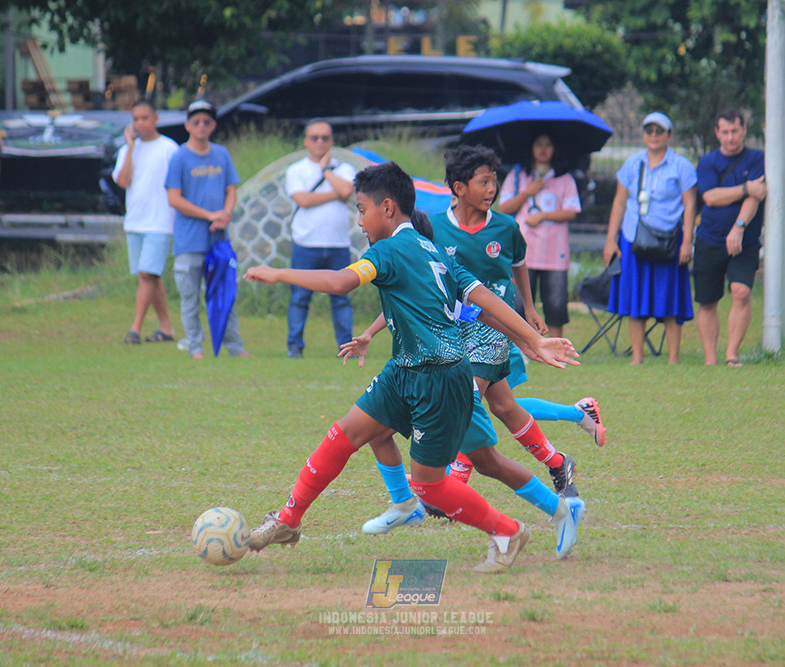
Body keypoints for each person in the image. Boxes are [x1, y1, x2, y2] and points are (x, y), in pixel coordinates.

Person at [243, 162, 580, 572]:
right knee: (344, 434)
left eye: (362, 210)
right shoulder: (433, 249)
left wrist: (278, 272)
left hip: (439, 377)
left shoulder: (387, 250)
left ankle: (506, 530)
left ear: (387, 208)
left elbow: (340, 283)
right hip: (404, 370)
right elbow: (481, 302)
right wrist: (532, 339)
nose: (360, 221)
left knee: (432, 483)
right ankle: (288, 520)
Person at [340, 211, 584, 559]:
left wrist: (529, 342)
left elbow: (483, 312)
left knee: (488, 459)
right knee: (382, 431)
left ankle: (557, 505)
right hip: (425, 377)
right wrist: (368, 333)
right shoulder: (412, 273)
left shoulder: (436, 274)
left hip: (449, 380)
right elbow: (396, 308)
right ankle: (406, 504)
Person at [430, 145, 600, 495]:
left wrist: (530, 309)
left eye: (494, 182)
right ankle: (558, 462)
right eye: (484, 182)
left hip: (496, 325)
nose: (492, 189)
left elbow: (519, 265)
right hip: (456, 326)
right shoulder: (434, 228)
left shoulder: (506, 226)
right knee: (505, 406)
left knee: (467, 398)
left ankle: (453, 481)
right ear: (459, 188)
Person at [603, 112, 698, 365]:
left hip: (669, 239)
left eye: (659, 131)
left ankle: (673, 358)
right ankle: (637, 357)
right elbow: (619, 202)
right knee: (636, 297)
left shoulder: (681, 166)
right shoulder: (632, 164)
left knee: (670, 297)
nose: (653, 135)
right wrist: (611, 239)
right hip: (634, 237)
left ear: (669, 135)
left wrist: (687, 242)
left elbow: (690, 205)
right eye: (649, 131)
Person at [165, 100, 247, 359]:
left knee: (225, 293)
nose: (201, 126)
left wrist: (225, 214)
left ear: (213, 126)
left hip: (218, 239)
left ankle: (234, 346)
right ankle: (195, 346)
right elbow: (174, 198)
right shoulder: (179, 157)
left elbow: (231, 189)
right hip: (189, 240)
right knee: (190, 297)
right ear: (188, 125)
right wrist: (209, 215)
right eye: (196, 121)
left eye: (207, 122)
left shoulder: (221, 154)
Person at [693, 109, 767, 367]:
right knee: (708, 301)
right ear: (717, 133)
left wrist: (739, 227)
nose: (730, 137)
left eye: (735, 131)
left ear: (744, 130)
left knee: (741, 291)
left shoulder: (758, 159)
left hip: (745, 240)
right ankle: (710, 360)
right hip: (709, 239)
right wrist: (745, 188)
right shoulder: (708, 162)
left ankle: (732, 355)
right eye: (725, 132)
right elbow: (711, 197)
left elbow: (757, 196)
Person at [284, 120, 357, 358]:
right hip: (306, 245)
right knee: (300, 297)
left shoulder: (343, 168)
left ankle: (345, 346)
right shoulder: (296, 170)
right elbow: (303, 200)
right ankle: (295, 346)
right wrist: (335, 193)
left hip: (338, 245)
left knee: (341, 298)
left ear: (332, 141)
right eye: (314, 137)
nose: (320, 142)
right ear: (306, 141)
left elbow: (346, 191)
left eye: (325, 137)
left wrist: (326, 172)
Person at [499, 133, 582, 339]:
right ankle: (523, 348)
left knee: (556, 306)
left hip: (554, 253)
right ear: (531, 148)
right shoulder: (518, 176)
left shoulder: (564, 178)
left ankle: (557, 346)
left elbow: (572, 211)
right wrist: (528, 192)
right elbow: (504, 208)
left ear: (555, 149)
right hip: (525, 253)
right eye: (538, 144)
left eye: (548, 144)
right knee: (520, 305)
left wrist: (544, 216)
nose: (543, 149)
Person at [113, 100, 179, 345]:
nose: (140, 123)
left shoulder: (169, 149)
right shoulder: (127, 151)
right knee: (151, 277)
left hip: (160, 221)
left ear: (155, 119)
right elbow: (123, 181)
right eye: (136, 119)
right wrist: (131, 149)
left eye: (145, 118)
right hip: (135, 221)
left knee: (145, 275)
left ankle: (135, 329)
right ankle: (166, 328)